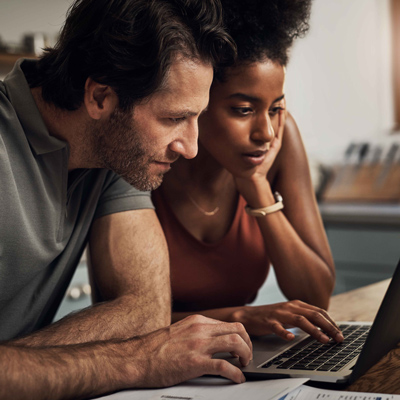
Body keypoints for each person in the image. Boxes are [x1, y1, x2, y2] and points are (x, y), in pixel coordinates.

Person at [0, 0, 256, 398]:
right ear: (100, 97)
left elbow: (145, 311)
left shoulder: (115, 154)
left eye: (197, 118)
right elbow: (144, 345)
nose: (191, 147)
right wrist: (139, 360)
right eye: (173, 118)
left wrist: (18, 369)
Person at [152, 0, 342, 342]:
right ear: (197, 101)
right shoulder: (150, 155)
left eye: (276, 108)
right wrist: (236, 318)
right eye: (243, 109)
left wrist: (256, 187)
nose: (266, 133)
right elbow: (121, 320)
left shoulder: (281, 140)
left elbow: (317, 298)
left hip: (242, 362)